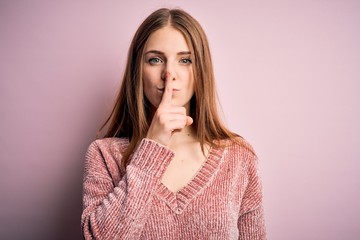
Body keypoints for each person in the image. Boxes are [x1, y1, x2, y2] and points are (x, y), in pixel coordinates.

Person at [81, 8, 266, 240]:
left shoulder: (239, 157)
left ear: (201, 71)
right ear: (138, 71)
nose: (169, 73)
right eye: (155, 60)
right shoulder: (104, 155)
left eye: (185, 60)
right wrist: (153, 146)